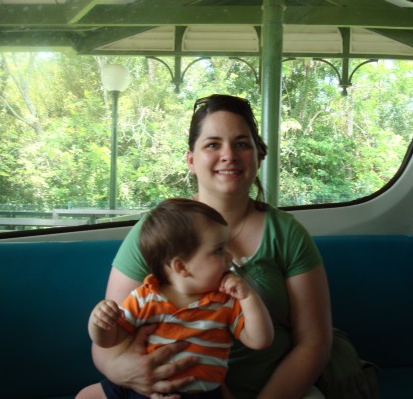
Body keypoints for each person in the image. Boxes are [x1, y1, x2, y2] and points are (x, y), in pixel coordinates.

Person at [89, 94, 332, 399]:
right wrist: (130, 375)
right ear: (191, 160)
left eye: (242, 143)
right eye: (213, 144)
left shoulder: (286, 233)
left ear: (259, 155)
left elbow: (314, 342)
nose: (229, 154)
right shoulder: (156, 231)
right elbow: (108, 341)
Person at [80, 198, 274, 399]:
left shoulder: (225, 300)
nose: (230, 257)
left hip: (201, 393)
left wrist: (248, 296)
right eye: (218, 250)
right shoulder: (144, 297)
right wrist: (98, 325)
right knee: (86, 396)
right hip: (146, 387)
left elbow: (260, 340)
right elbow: (110, 340)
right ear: (181, 267)